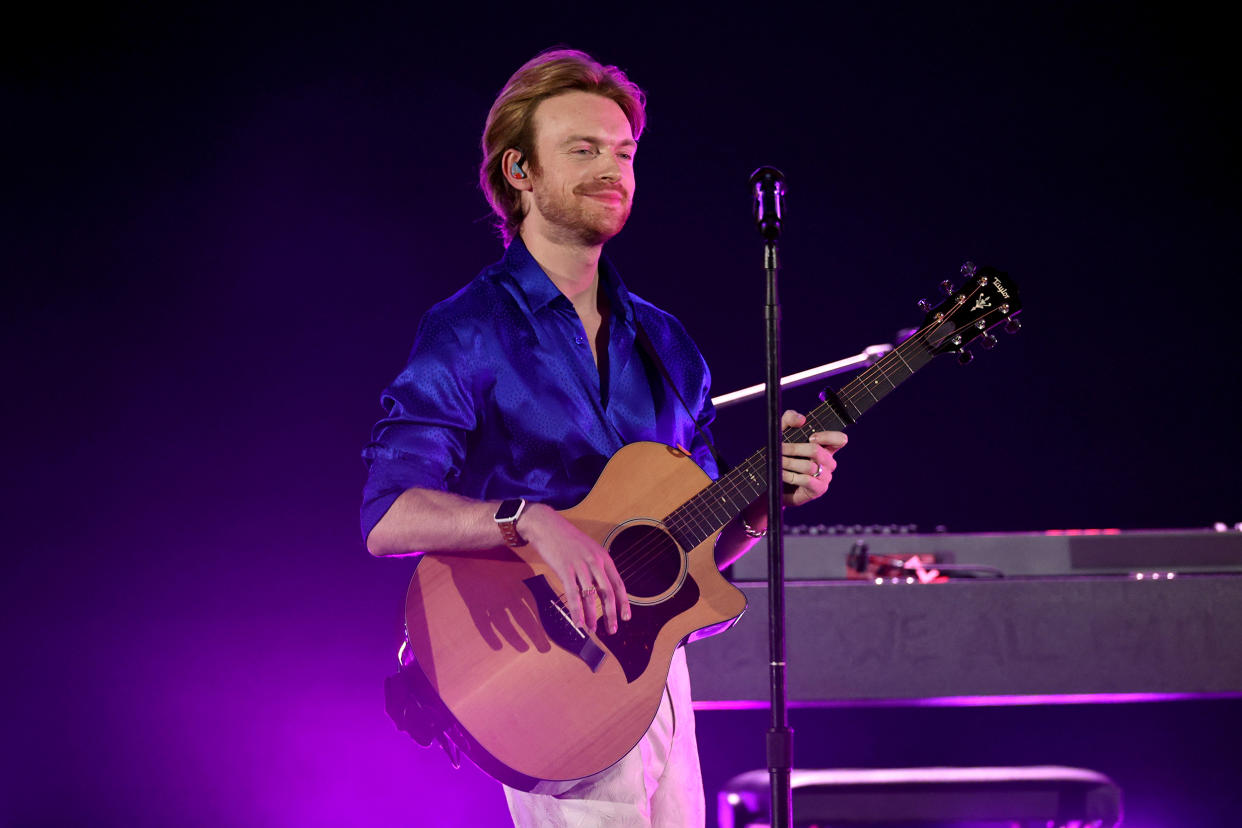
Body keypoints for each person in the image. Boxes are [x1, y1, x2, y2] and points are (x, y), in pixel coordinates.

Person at [361, 48, 848, 827]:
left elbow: (691, 553)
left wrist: (765, 504)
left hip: (655, 675)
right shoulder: (467, 331)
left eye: (623, 152)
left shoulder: (666, 341)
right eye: (582, 150)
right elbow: (388, 517)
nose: (613, 169)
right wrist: (530, 521)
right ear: (518, 171)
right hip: (542, 670)